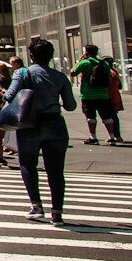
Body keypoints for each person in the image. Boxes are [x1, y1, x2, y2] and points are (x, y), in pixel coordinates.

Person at [6, 36, 78, 224]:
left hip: (30, 124)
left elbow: (9, 95)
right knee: (55, 170)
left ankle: (36, 206)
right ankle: (57, 213)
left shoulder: (22, 73)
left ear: (30, 55)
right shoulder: (60, 77)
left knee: (28, 164)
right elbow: (70, 106)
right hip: (55, 123)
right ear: (51, 55)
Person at [68, 43, 120, 145]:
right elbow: (109, 78)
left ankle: (93, 137)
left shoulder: (85, 63)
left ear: (86, 52)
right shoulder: (104, 64)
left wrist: (79, 61)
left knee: (90, 116)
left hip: (88, 94)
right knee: (107, 116)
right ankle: (112, 137)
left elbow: (72, 73)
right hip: (103, 95)